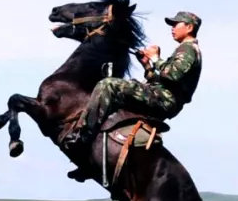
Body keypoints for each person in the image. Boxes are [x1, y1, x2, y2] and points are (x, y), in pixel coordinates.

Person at [67, 11, 203, 152]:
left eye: (176, 24)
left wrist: (155, 58)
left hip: (164, 99)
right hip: (163, 97)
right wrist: (147, 65)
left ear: (189, 27)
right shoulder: (186, 49)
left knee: (108, 84)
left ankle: (83, 136)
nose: (172, 28)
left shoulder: (188, 49)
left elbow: (172, 75)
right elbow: (167, 82)